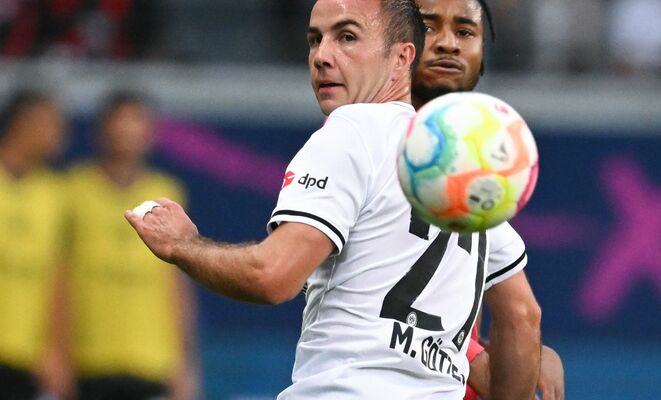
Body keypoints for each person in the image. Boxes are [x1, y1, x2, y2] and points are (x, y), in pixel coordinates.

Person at [125, 0, 541, 398]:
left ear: (401, 58)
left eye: (346, 37)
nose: (321, 55)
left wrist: (182, 244)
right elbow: (522, 316)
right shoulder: (466, 174)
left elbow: (272, 275)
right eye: (314, 39)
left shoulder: (352, 130)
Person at [411, 0, 564, 399]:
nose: (449, 44)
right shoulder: (369, 142)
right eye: (429, 28)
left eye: (465, 32)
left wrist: (512, 353)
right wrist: (476, 358)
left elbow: (521, 316)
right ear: (395, 43)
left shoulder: (465, 165)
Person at [62, 91, 199, 400]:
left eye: (135, 121)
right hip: (89, 360)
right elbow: (59, 278)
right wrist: (57, 354)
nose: (126, 131)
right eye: (118, 120)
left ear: (150, 133)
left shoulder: (166, 192)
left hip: (152, 361)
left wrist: (184, 363)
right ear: (101, 130)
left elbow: (176, 283)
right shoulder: (72, 189)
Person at [0, 89, 69, 399]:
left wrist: (55, 349)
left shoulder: (55, 194)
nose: (60, 135)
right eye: (53, 124)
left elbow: (57, 279)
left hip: (26, 357)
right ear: (25, 123)